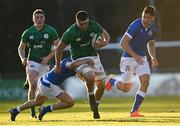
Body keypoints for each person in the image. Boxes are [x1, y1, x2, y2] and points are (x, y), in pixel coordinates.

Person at [54, 10, 110, 119]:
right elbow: (58, 49)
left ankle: (95, 107)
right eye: (81, 24)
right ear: (77, 22)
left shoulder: (94, 26)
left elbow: (106, 36)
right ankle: (90, 95)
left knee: (102, 86)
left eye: (86, 23)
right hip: (79, 60)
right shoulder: (70, 32)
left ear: (88, 20)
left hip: (93, 58)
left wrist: (103, 43)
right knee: (90, 76)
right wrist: (57, 65)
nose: (84, 26)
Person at [105, 6, 159, 117]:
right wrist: (135, 56)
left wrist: (153, 57)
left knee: (145, 82)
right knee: (126, 88)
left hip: (141, 58)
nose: (145, 19)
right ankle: (111, 81)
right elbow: (123, 43)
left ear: (152, 18)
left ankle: (134, 111)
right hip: (128, 59)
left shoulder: (153, 29)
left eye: (148, 17)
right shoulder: (135, 25)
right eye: (144, 16)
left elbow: (151, 43)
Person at [9, 57, 94, 121]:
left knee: (37, 102)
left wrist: (88, 81)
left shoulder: (75, 63)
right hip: (49, 84)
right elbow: (71, 65)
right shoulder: (70, 61)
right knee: (70, 102)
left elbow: (79, 74)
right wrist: (86, 60)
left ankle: (15, 110)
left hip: (43, 81)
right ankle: (45, 109)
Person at [18, 9, 60, 118]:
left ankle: (37, 105)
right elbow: (21, 48)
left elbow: (58, 47)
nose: (39, 19)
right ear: (33, 19)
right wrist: (23, 58)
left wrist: (47, 57)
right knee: (33, 84)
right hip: (32, 61)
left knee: (41, 89)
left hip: (45, 64)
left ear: (44, 18)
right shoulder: (28, 32)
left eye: (41, 17)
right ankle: (32, 111)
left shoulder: (51, 31)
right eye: (37, 17)